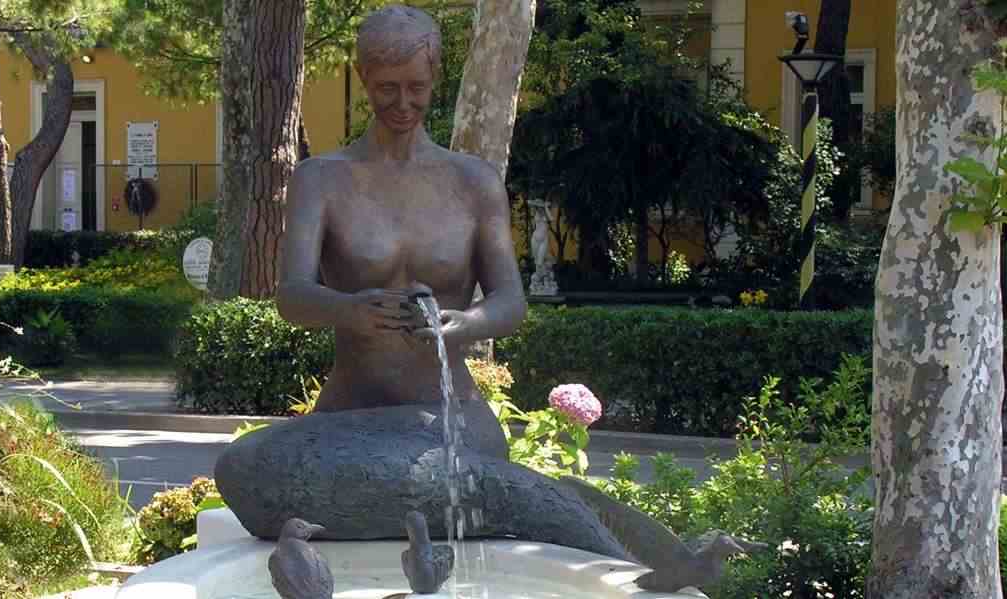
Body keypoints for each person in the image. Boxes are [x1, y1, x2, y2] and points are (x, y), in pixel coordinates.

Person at [212, 6, 749, 592]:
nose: (402, 102)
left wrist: (461, 323)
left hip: (450, 424)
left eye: (416, 87)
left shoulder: (471, 182)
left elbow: (510, 302)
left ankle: (635, 559)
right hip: (350, 428)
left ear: (435, 77)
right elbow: (292, 296)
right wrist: (348, 309)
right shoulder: (324, 178)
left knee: (451, 477)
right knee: (242, 470)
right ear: (363, 78)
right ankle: (616, 544)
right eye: (387, 88)